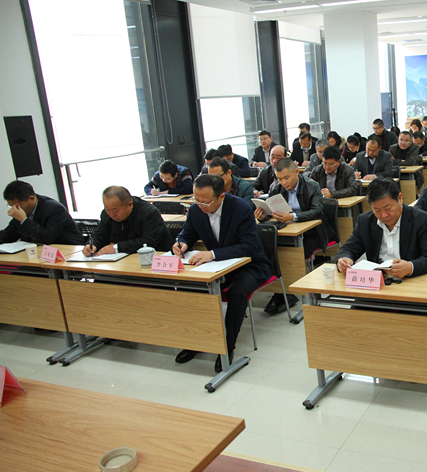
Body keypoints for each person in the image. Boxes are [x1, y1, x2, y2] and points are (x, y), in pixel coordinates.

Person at [173, 174, 273, 373]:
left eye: (206, 202)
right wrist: (181, 243)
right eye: (196, 200)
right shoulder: (196, 210)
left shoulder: (240, 208)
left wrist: (212, 254)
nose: (200, 205)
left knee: (237, 292)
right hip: (218, 267)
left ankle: (227, 346)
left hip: (250, 265)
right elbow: (187, 233)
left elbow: (250, 247)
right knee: (190, 288)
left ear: (222, 196)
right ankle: (197, 341)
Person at [259, 158, 333, 314]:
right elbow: (271, 212)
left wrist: (292, 217)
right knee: (273, 252)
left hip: (312, 232)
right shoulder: (275, 187)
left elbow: (317, 211)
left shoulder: (312, 186)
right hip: (286, 233)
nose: (283, 182)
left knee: (291, 255)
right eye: (280, 179)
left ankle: (285, 294)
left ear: (296, 172)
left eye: (286, 178)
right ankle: (282, 292)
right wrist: (263, 215)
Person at [335, 177, 427, 279]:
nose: (384, 215)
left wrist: (410, 267)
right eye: (377, 210)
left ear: (400, 198)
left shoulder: (422, 220)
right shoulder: (365, 221)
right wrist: (344, 259)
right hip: (378, 281)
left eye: (388, 208)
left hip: (410, 280)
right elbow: (349, 248)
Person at [84, 186, 173, 256]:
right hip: (121, 259)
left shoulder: (148, 212)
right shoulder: (106, 214)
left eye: (115, 210)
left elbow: (149, 241)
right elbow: (101, 234)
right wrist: (93, 245)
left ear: (130, 204)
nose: (111, 214)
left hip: (156, 257)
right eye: (107, 209)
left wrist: (116, 248)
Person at [1, 180, 84, 245]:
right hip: (40, 252)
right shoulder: (21, 211)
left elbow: (48, 237)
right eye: (11, 206)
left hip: (67, 249)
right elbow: (9, 234)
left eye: (18, 205)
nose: (15, 209)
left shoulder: (55, 209)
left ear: (32, 199)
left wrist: (24, 220)